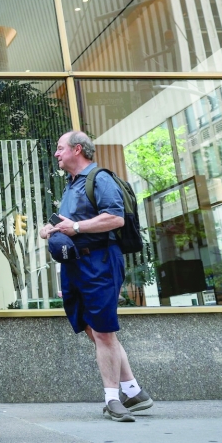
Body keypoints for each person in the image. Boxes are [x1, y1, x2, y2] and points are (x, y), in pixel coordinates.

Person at [39, 131, 153, 423]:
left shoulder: (100, 178)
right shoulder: (71, 185)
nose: (56, 153)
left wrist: (75, 228)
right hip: (76, 265)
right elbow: (72, 223)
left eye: (60, 148)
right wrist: (51, 229)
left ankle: (113, 400)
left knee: (103, 332)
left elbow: (115, 218)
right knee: (94, 329)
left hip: (99, 262)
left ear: (77, 150)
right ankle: (133, 390)